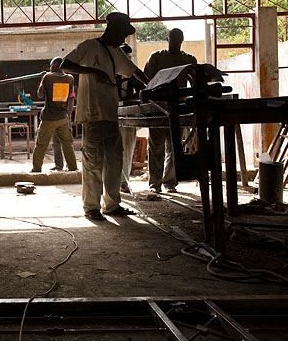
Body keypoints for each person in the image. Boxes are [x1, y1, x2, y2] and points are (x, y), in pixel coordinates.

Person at [61, 12, 150, 221]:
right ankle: (91, 207)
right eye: (122, 34)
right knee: (93, 162)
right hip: (91, 114)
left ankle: (112, 204)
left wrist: (152, 84)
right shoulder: (89, 46)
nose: (123, 39)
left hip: (110, 114)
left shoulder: (117, 53)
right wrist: (92, 72)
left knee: (114, 161)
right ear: (112, 30)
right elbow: (66, 64)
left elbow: (134, 71)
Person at [144, 28, 197, 194]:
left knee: (174, 147)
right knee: (156, 147)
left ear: (182, 39)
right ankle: (155, 183)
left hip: (178, 108)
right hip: (159, 107)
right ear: (167, 38)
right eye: (173, 37)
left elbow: (194, 82)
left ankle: (170, 182)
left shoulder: (189, 60)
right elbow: (146, 79)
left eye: (178, 37)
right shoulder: (157, 57)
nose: (175, 40)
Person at [31, 56, 78, 172]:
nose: (50, 68)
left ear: (57, 65)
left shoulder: (48, 77)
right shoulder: (70, 78)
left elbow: (40, 94)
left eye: (52, 65)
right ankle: (72, 167)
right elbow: (70, 98)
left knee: (41, 144)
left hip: (49, 118)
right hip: (63, 117)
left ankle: (36, 168)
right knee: (67, 144)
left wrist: (42, 79)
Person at [116, 43, 142, 194]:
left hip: (128, 114)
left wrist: (128, 97)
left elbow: (142, 91)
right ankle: (113, 181)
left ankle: (124, 182)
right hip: (112, 113)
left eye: (127, 56)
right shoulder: (110, 73)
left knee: (127, 148)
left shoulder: (133, 74)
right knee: (113, 149)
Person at [50, 86, 76, 170]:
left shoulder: (68, 80)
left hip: (64, 117)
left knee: (67, 143)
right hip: (55, 116)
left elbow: (71, 100)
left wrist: (68, 115)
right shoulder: (53, 81)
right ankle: (58, 165)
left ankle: (70, 165)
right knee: (56, 143)